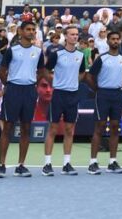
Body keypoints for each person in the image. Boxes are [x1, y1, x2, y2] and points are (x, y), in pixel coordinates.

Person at [0, 19, 45, 178]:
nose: (31, 32)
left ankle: (21, 165)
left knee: (26, 128)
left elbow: (42, 72)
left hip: (29, 91)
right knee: (7, 128)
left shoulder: (38, 52)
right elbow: (2, 71)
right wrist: (9, 85)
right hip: (13, 90)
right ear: (21, 31)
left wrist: (32, 84)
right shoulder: (12, 50)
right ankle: (2, 165)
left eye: (33, 29)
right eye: (28, 29)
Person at [42, 25, 86, 176]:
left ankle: (66, 163)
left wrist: (73, 82)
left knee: (69, 130)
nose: (74, 37)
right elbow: (46, 71)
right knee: (53, 129)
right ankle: (47, 164)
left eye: (76, 35)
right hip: (59, 95)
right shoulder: (57, 54)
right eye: (72, 34)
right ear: (65, 37)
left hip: (73, 95)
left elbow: (81, 74)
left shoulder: (80, 55)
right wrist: (54, 82)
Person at [86, 29, 122, 174]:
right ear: (108, 41)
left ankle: (112, 162)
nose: (115, 41)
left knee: (115, 127)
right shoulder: (102, 59)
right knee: (100, 126)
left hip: (117, 95)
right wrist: (97, 89)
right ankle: (93, 162)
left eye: (117, 39)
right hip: (103, 94)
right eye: (113, 39)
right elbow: (89, 77)